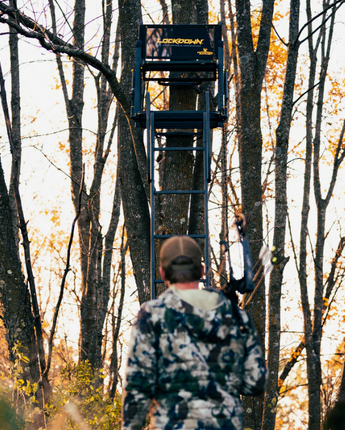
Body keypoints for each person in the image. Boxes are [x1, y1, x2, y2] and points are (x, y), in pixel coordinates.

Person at [122, 236, 266, 430]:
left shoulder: (152, 315)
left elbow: (137, 390)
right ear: (202, 271)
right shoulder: (235, 315)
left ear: (163, 273)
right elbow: (255, 383)